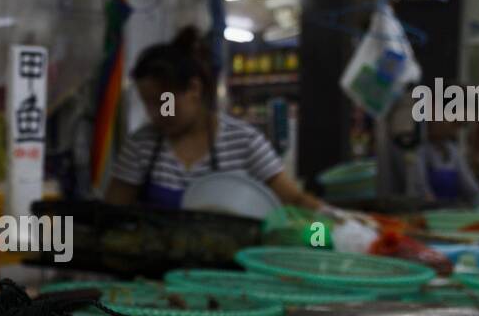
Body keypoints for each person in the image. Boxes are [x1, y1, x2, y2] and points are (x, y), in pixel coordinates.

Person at [105, 27, 320, 210]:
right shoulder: (141, 146)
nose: (156, 114)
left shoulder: (244, 142)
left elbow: (295, 200)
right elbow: (111, 213)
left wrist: (339, 222)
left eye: (164, 103)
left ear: (194, 89)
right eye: (148, 104)